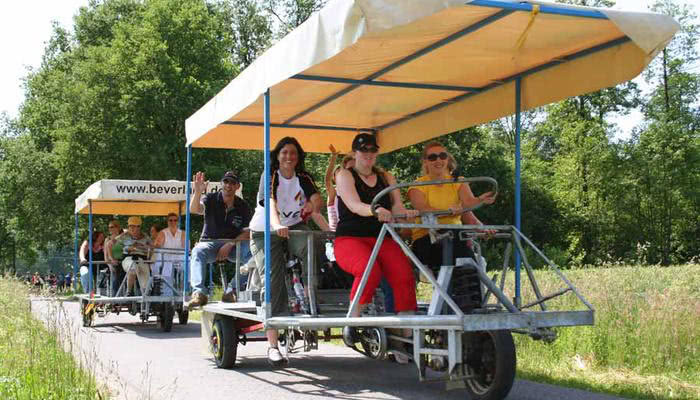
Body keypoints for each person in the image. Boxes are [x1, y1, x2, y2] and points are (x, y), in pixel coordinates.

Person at [247, 136, 325, 366]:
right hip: (265, 231)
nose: (289, 157)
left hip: (292, 228)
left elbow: (317, 197)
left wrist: (313, 205)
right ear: (277, 156)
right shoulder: (270, 175)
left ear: (298, 156)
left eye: (293, 153)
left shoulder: (303, 177)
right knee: (273, 279)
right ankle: (273, 345)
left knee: (314, 245)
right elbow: (269, 201)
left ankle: (310, 294)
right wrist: (277, 224)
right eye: (284, 153)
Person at [334, 132, 419, 321]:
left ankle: (407, 332)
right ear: (355, 152)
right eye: (364, 150)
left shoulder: (386, 177)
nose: (368, 154)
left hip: (382, 237)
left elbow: (397, 206)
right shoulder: (345, 175)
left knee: (403, 274)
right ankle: (353, 319)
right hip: (350, 238)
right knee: (368, 269)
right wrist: (376, 210)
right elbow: (354, 205)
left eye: (372, 150)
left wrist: (406, 214)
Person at [407, 141, 496, 311]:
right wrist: (449, 212)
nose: (438, 160)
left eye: (442, 156)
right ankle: (461, 305)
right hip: (427, 239)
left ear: (448, 159)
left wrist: (481, 201)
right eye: (432, 157)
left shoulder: (458, 182)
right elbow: (424, 210)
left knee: (466, 255)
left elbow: (468, 206)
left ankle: (471, 304)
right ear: (425, 162)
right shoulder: (417, 186)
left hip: (455, 237)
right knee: (460, 249)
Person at [186, 171, 253, 308]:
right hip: (209, 243)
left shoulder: (243, 206)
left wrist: (230, 243)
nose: (229, 185)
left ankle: (231, 290)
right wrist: (198, 192)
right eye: (226, 181)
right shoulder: (210, 198)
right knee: (197, 251)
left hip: (233, 244)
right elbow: (194, 209)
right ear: (222, 183)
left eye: (232, 183)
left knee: (253, 254)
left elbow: (247, 234)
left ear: (237, 186)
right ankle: (198, 293)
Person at [114, 216, 152, 296]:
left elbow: (152, 248)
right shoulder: (122, 237)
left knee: (147, 280)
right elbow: (113, 248)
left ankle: (145, 298)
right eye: (131, 226)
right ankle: (129, 292)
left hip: (142, 259)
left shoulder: (145, 237)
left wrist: (147, 250)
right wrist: (127, 249)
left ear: (139, 227)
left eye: (136, 226)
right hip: (128, 258)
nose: (133, 228)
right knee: (133, 268)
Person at [153, 213, 185, 296]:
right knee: (167, 267)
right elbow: (157, 245)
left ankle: (185, 291)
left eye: (175, 220)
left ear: (178, 222)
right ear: (167, 221)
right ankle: (167, 294)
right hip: (166, 257)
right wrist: (158, 244)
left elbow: (186, 247)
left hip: (179, 256)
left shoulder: (182, 233)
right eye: (170, 220)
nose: (173, 222)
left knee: (188, 265)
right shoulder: (163, 233)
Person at [104, 219, 126, 296]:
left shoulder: (123, 238)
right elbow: (106, 258)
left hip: (124, 262)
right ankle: (114, 300)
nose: (110, 229)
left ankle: (128, 299)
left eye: (112, 227)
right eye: (109, 227)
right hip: (113, 264)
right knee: (115, 278)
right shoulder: (107, 240)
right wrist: (110, 266)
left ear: (118, 227)